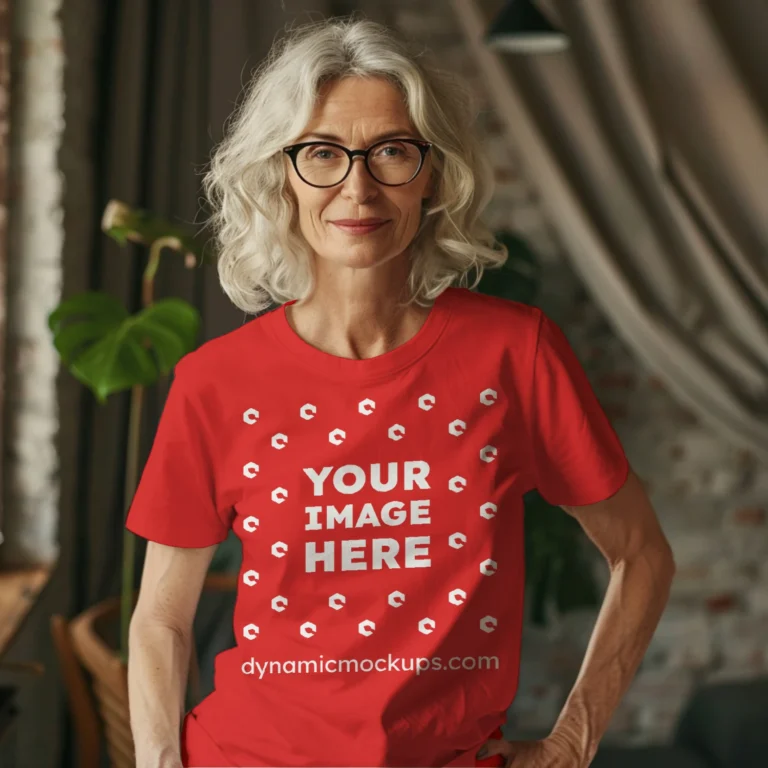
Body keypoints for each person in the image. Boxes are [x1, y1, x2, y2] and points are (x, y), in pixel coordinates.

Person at [125, 14, 676, 768]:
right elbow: (161, 618)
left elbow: (641, 554)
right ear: (282, 175)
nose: (357, 186)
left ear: (434, 175)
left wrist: (575, 740)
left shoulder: (513, 354)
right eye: (322, 153)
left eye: (391, 151)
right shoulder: (215, 382)